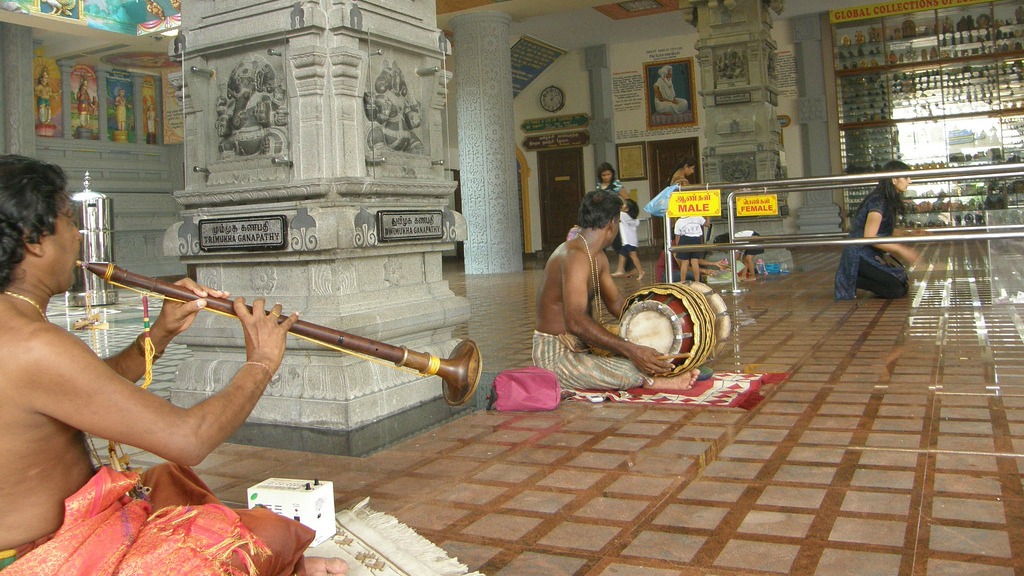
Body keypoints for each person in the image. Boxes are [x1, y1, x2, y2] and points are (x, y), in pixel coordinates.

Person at [0, 155, 346, 576]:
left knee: (170, 487)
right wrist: (261, 362)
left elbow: (81, 389)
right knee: (261, 537)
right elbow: (189, 439)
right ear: (34, 239)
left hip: (47, 535)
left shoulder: (16, 328)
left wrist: (159, 333)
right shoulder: (34, 344)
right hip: (44, 556)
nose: (77, 236)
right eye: (69, 221)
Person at [534, 189, 699, 392]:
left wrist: (658, 325)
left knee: (646, 358)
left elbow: (618, 304)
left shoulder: (598, 256)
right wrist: (631, 350)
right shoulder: (574, 255)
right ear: (612, 224)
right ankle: (653, 382)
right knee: (630, 369)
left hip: (581, 347)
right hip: (556, 355)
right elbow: (575, 321)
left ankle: (643, 372)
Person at [834, 159, 921, 300]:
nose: (909, 181)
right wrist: (901, 250)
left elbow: (885, 231)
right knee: (896, 289)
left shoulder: (886, 198)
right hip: (859, 253)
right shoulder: (878, 201)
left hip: (869, 251)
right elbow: (870, 236)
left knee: (902, 283)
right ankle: (853, 278)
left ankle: (859, 277)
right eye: (906, 177)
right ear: (894, 179)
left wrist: (910, 233)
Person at [611, 198, 644, 281]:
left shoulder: (623, 215)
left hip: (628, 241)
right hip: (632, 241)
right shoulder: (632, 218)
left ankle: (639, 271)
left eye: (624, 204)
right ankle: (622, 270)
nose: (622, 205)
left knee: (632, 256)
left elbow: (615, 213)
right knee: (625, 254)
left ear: (627, 208)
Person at [673, 213, 708, 285]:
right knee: (694, 261)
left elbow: (677, 236)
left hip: (684, 239)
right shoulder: (698, 216)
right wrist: (708, 214)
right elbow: (707, 224)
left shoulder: (679, 221)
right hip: (696, 239)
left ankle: (682, 282)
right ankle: (697, 282)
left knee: (684, 262)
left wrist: (678, 246)